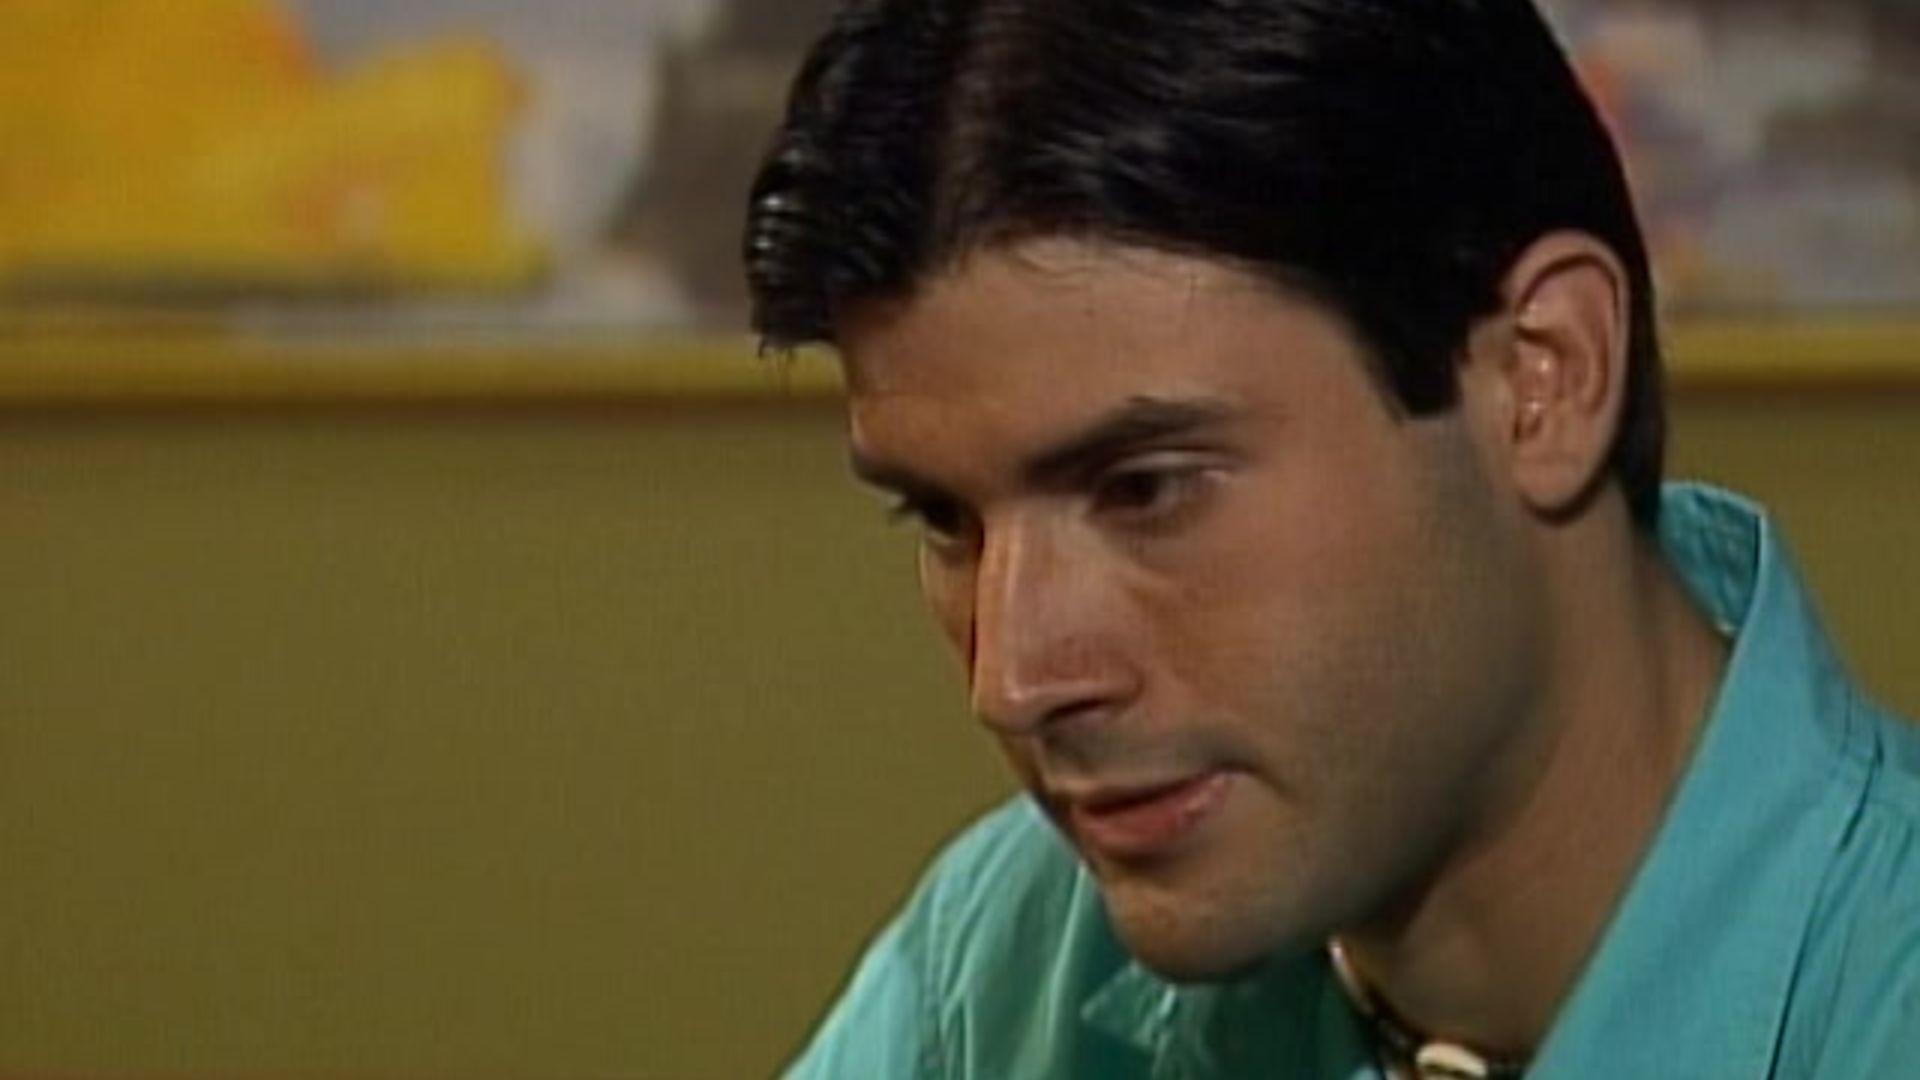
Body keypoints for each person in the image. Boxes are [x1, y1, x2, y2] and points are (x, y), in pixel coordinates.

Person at [740, 1, 1920, 1076]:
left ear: (1544, 377)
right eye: (946, 519)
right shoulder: (1003, 971)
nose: (1013, 679)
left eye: (1147, 489)